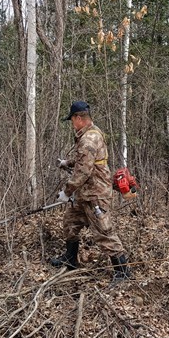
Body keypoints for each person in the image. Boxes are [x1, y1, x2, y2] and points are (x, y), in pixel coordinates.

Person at [50, 101, 131, 281]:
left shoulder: (88, 139)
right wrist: (67, 163)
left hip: (95, 194)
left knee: (104, 232)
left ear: (79, 118)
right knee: (70, 222)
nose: (72, 123)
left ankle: (123, 271)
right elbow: (85, 160)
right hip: (85, 194)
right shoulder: (90, 134)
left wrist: (67, 192)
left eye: (72, 120)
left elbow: (84, 171)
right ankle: (71, 259)